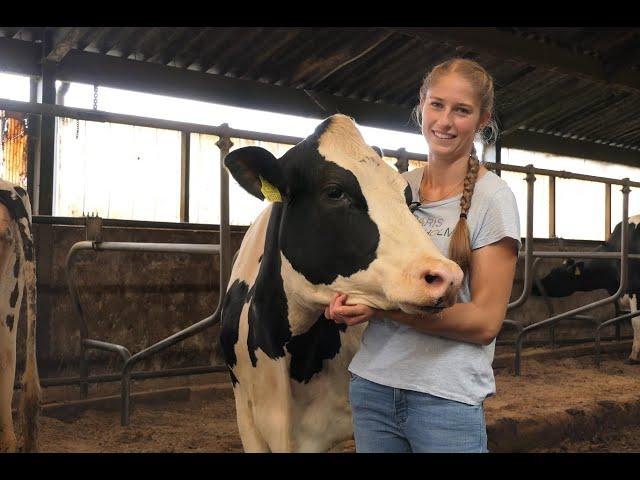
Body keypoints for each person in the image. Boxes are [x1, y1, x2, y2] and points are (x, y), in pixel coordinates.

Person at [324, 58, 521, 453]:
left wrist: (381, 311)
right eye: (437, 105)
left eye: (461, 110)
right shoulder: (395, 189)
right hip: (374, 387)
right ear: (421, 103)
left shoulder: (493, 198)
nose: (445, 121)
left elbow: (485, 322)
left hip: (444, 399)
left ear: (482, 119)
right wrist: (348, 302)